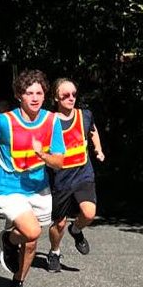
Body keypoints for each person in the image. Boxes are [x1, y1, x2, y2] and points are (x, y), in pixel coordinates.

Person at [0, 69, 66, 287]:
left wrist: (43, 154)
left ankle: (17, 283)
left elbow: (59, 163)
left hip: (39, 188)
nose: (34, 98)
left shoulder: (52, 121)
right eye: (29, 93)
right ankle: (9, 241)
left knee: (31, 242)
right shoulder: (5, 121)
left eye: (39, 92)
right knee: (32, 231)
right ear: (19, 95)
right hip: (8, 187)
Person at [45, 79, 105, 272]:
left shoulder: (84, 115)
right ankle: (54, 251)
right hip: (60, 179)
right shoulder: (48, 121)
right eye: (65, 95)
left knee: (89, 213)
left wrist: (98, 149)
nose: (71, 98)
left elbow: (93, 131)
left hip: (83, 173)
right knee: (59, 223)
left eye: (74, 94)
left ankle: (76, 229)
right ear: (56, 98)